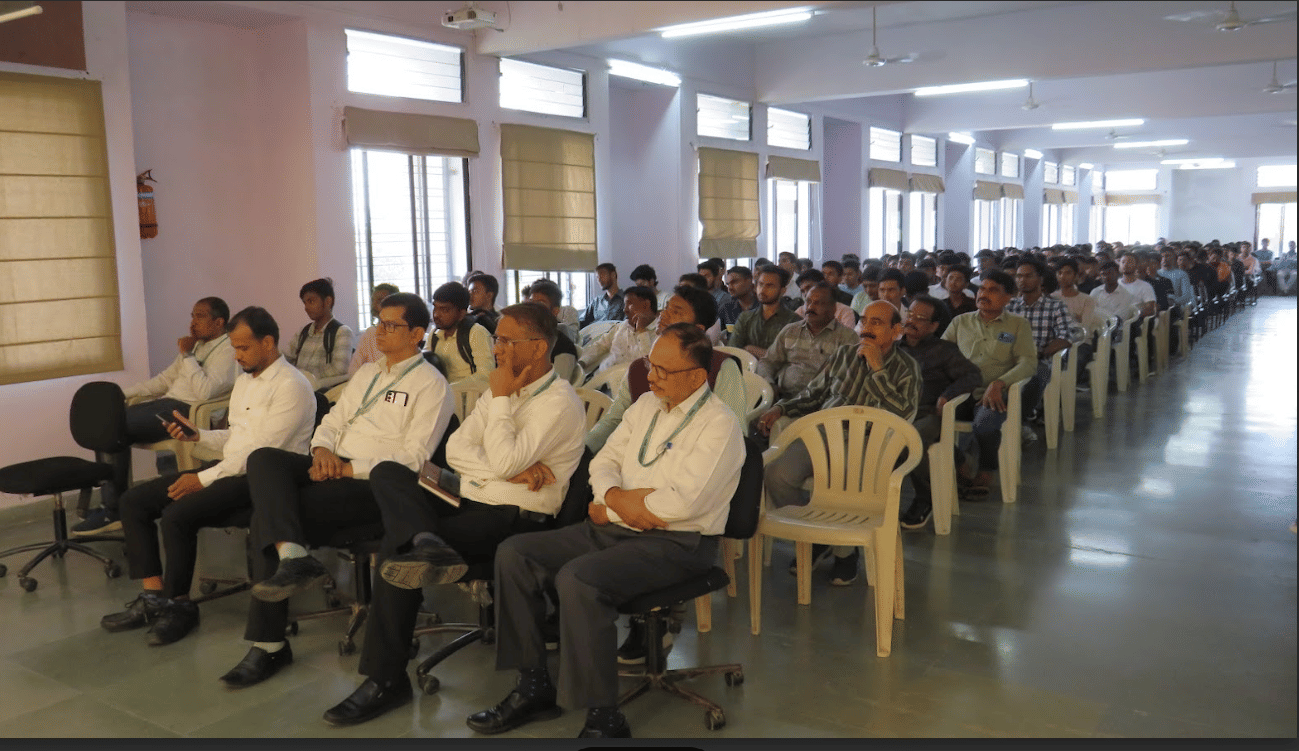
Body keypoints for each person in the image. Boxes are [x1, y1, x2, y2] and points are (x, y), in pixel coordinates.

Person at [466, 323, 744, 740]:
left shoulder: (719, 425)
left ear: (697, 377)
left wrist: (622, 504)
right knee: (515, 553)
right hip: (617, 525)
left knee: (578, 579)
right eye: (651, 364)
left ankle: (604, 718)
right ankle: (534, 687)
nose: (650, 376)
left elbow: (685, 504)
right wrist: (617, 497)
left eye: (663, 370)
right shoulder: (646, 405)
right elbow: (602, 461)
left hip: (680, 544)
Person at [321, 303, 587, 727]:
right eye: (497, 339)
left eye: (504, 340)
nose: (496, 348)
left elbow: (498, 460)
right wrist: (509, 465)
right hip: (471, 495)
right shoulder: (498, 390)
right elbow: (459, 452)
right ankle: (427, 543)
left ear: (537, 349)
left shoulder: (557, 402)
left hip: (512, 514)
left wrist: (500, 413)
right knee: (391, 472)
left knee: (397, 550)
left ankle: (385, 679)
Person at [217, 292, 455, 690]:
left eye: (392, 325)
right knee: (264, 459)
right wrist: (323, 449)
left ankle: (269, 643)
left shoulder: (432, 386)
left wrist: (349, 467)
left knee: (267, 518)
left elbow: (413, 457)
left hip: (373, 486)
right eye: (379, 322)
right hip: (331, 468)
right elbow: (331, 420)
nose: (381, 332)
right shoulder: (368, 374)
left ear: (417, 333)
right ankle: (294, 558)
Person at [102, 306, 317, 646]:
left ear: (269, 343)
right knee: (134, 501)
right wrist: (199, 436)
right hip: (229, 471)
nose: (237, 355)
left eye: (244, 347)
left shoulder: (292, 386)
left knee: (177, 515)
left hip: (262, 484)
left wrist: (200, 480)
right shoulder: (247, 381)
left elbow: (257, 456)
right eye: (234, 347)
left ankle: (179, 606)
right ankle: (153, 597)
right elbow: (237, 437)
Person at [757, 301, 920, 584]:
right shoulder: (844, 355)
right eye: (864, 321)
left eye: (877, 323)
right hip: (823, 436)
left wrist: (878, 371)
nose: (866, 329)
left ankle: (846, 554)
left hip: (869, 447)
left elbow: (904, 414)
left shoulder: (907, 367)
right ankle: (816, 537)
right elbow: (814, 394)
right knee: (776, 474)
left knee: (840, 484)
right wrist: (782, 408)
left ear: (896, 331)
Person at [72, 297, 239, 536]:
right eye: (192, 315)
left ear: (219, 322)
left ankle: (112, 509)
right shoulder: (197, 345)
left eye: (200, 316)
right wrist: (120, 394)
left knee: (113, 427)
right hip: (166, 405)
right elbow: (163, 381)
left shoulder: (228, 349)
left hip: (188, 411)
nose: (193, 322)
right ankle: (110, 505)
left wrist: (188, 356)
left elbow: (206, 392)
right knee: (109, 421)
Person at [585, 286, 747, 454]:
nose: (664, 314)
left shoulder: (721, 368)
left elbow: (734, 435)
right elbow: (614, 419)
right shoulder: (638, 368)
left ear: (698, 329)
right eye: (667, 307)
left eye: (676, 312)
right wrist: (585, 449)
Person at [941, 271, 1037, 497]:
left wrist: (1000, 382)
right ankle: (960, 462)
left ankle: (986, 469)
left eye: (992, 290)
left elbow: (1028, 362)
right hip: (961, 390)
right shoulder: (960, 322)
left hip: (994, 392)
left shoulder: (1017, 325)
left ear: (1008, 298)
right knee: (927, 417)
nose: (983, 294)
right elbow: (942, 354)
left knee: (985, 423)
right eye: (982, 289)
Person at [894, 297, 982, 529]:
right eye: (910, 315)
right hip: (894, 413)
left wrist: (948, 395)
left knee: (911, 441)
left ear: (934, 326)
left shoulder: (943, 351)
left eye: (920, 319)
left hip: (927, 413)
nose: (911, 321)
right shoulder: (894, 347)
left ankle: (926, 498)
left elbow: (973, 376)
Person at [755, 283, 857, 403]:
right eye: (808, 301)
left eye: (818, 303)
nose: (811, 307)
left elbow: (847, 379)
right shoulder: (790, 330)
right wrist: (769, 384)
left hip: (823, 401)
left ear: (833, 308)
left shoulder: (847, 337)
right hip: (784, 397)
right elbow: (768, 362)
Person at [1005, 259, 1072, 428]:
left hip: (1040, 359)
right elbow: (1000, 335)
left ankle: (1015, 422)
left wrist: (1041, 352)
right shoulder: (1010, 306)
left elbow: (1066, 336)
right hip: (1010, 358)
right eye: (1019, 276)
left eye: (1028, 276)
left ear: (1041, 279)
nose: (1022, 280)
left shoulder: (1055, 306)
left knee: (1036, 376)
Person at [286, 278, 354, 391]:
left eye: (311, 301)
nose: (306, 307)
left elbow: (339, 369)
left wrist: (303, 376)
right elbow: (288, 358)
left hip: (324, 395)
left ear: (328, 301)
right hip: (298, 389)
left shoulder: (342, 332)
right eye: (304, 302)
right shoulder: (303, 331)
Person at [578, 286, 657, 378]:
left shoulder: (659, 334)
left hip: (626, 387)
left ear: (646, 305)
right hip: (600, 379)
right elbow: (600, 346)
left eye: (630, 304)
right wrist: (581, 362)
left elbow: (647, 367)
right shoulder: (622, 326)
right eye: (625, 305)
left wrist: (642, 332)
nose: (625, 310)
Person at [727, 266, 801, 360]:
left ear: (782, 291)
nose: (762, 290)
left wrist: (752, 349)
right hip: (747, 372)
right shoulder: (745, 317)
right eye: (760, 284)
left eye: (770, 286)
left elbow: (790, 358)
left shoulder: (793, 321)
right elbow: (733, 350)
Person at [428, 281, 495, 383]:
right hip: (442, 396)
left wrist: (448, 389)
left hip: (471, 398)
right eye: (435, 308)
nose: (436, 315)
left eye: (444, 310)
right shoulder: (434, 334)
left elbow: (485, 376)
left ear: (461, 314)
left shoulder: (475, 333)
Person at [520, 280, 583, 385]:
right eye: (531, 303)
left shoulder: (562, 346)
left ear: (555, 311)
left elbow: (558, 387)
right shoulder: (526, 339)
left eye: (540, 303)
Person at [349, 283, 400, 375]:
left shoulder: (401, 332)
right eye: (372, 300)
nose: (374, 305)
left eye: (380, 301)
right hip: (366, 384)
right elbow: (353, 369)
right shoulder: (370, 333)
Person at [580, 263, 625, 327]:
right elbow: (581, 321)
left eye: (602, 275)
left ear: (613, 275)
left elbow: (626, 327)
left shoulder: (626, 300)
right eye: (597, 277)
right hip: (595, 335)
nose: (599, 279)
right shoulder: (596, 302)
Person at [717, 265, 758, 330]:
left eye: (734, 282)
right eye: (728, 284)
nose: (730, 288)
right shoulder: (726, 309)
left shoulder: (764, 307)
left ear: (749, 281)